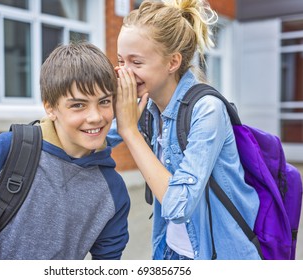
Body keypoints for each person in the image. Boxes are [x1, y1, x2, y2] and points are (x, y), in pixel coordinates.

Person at [0, 42, 130, 260]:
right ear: (50, 107)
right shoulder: (6, 150)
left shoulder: (114, 191)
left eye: (104, 102)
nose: (95, 116)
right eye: (78, 105)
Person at [108, 0, 261, 260]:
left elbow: (179, 205)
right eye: (121, 61)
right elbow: (91, 140)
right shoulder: (146, 105)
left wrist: (130, 132)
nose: (124, 73)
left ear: (172, 62)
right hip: (170, 252)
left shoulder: (207, 111)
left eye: (136, 62)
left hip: (220, 257)